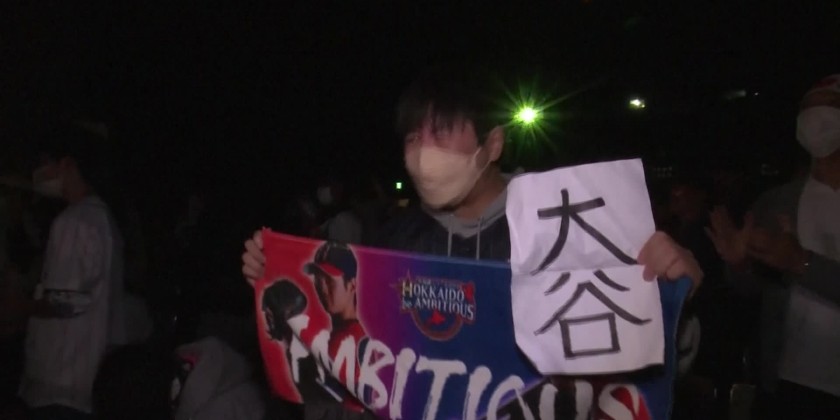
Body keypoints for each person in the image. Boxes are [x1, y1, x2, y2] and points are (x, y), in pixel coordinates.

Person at [242, 64, 704, 419]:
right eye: (413, 137)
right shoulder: (395, 243)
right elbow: (357, 366)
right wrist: (276, 276)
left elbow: (638, 366)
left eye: (442, 132)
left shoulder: (565, 231)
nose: (423, 152)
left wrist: (672, 301)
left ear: (493, 144)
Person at [706, 74, 840, 419]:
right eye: (807, 109)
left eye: (830, 105)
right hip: (787, 383)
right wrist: (739, 264)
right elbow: (755, 287)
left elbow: (793, 263)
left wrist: (801, 262)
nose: (816, 117)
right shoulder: (778, 201)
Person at [17, 123, 126, 420]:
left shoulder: (74, 222)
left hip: (59, 381)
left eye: (44, 163)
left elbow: (64, 300)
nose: (39, 173)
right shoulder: (101, 219)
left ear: (67, 164)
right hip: (83, 381)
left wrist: (19, 306)